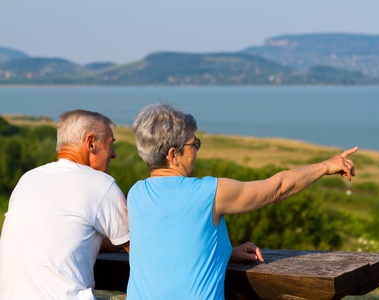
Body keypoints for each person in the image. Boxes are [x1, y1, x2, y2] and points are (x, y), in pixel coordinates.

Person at [126, 103, 358, 299]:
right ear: (173, 155)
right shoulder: (208, 192)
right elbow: (277, 188)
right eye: (193, 144)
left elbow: (170, 248)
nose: (196, 149)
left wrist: (224, 250)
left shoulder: (136, 194)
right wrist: (326, 166)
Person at [0, 110, 130, 299]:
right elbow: (140, 248)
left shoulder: (29, 178)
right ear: (91, 142)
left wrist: (114, 242)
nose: (114, 154)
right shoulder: (100, 184)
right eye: (110, 144)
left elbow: (68, 237)